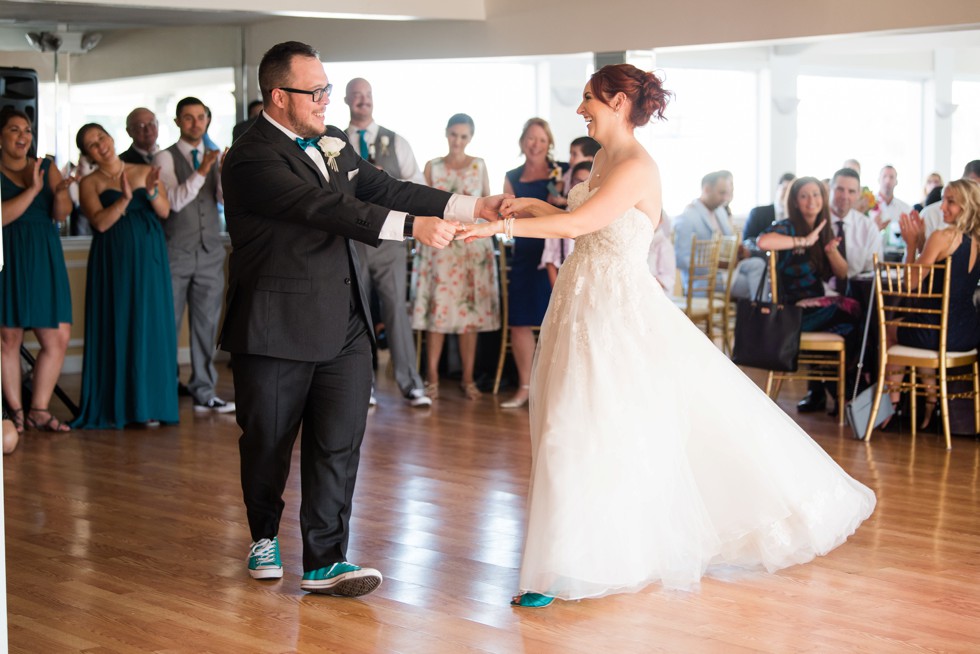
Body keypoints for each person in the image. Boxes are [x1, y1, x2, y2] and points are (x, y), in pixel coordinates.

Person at [460, 64, 875, 608]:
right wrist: (533, 207)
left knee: (579, 426)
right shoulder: (604, 158)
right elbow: (579, 213)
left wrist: (500, 227)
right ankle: (575, 559)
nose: (581, 108)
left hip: (615, 312)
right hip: (580, 304)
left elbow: (580, 227)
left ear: (618, 103)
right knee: (575, 424)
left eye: (589, 98)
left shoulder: (636, 165)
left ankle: (558, 568)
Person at [219, 41, 505, 596]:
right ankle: (263, 535)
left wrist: (472, 206)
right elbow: (324, 209)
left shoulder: (334, 142)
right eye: (316, 91)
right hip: (276, 324)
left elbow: (386, 188)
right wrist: (410, 228)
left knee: (338, 443)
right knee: (268, 443)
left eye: (328, 87)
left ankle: (326, 560)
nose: (328, 99)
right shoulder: (251, 155)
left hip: (347, 322)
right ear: (279, 97)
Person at [71, 123, 178, 429]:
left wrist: (154, 190)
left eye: (101, 137)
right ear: (87, 153)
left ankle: (153, 404)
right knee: (118, 321)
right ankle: (121, 405)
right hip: (113, 260)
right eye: (92, 144)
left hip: (149, 257)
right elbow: (100, 223)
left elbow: (164, 211)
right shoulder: (89, 182)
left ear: (111, 137)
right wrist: (124, 199)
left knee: (151, 324)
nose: (100, 145)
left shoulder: (143, 168)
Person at [344, 77, 431, 407]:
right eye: (356, 96)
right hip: (351, 239)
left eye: (367, 95)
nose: (362, 101)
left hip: (390, 239)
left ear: (373, 100)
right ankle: (361, 385)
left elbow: (416, 186)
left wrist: (385, 179)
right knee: (355, 311)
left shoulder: (396, 141)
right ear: (347, 101)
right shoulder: (334, 142)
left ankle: (411, 383)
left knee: (396, 309)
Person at [154, 97, 235, 414]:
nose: (195, 123)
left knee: (206, 325)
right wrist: (202, 170)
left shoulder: (217, 155)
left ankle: (204, 389)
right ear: (177, 122)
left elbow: (222, 202)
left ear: (208, 119)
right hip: (175, 252)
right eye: (188, 118)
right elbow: (173, 201)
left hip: (210, 253)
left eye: (201, 117)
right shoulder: (165, 156)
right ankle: (164, 390)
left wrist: (224, 175)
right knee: (168, 325)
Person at [411, 113, 500, 400]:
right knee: (438, 311)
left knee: (469, 316)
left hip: (472, 249)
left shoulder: (479, 165)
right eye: (454, 134)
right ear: (446, 134)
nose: (458, 140)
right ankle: (432, 377)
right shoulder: (432, 167)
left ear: (470, 137)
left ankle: (468, 378)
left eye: (463, 136)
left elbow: (487, 205)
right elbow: (422, 204)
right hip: (440, 249)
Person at [758, 177, 863, 413]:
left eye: (816, 194)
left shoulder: (823, 229)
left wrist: (831, 252)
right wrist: (802, 241)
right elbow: (763, 241)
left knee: (851, 319)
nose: (811, 201)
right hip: (791, 313)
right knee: (848, 313)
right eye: (804, 195)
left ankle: (823, 391)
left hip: (812, 307)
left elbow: (843, 273)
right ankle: (839, 394)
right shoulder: (787, 227)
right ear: (795, 201)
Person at [0, 108, 74, 433]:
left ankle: (39, 409)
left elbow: (62, 214)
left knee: (58, 335)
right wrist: (32, 190)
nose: (23, 136)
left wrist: (59, 193)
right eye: (14, 129)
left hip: (44, 255)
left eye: (27, 130)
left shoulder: (46, 166)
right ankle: (15, 411)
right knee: (8, 335)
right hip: (7, 255)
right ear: (0, 136)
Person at [886, 179, 980, 428]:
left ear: (967, 206)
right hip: (969, 333)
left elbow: (909, 285)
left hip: (940, 331)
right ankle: (930, 405)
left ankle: (892, 408)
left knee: (889, 329)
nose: (942, 208)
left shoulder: (942, 236)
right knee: (912, 326)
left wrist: (910, 244)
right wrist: (920, 242)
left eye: (951, 202)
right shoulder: (976, 240)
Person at [500, 117, 568, 409]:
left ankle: (555, 390)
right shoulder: (512, 176)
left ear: (549, 143)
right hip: (526, 252)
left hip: (556, 253)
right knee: (519, 320)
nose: (535, 144)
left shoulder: (562, 171)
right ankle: (525, 386)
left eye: (541, 139)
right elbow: (506, 213)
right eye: (530, 138)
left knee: (559, 319)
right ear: (522, 142)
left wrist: (529, 214)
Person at [672, 170, 735, 291]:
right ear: (706, 189)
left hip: (727, 274)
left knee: (757, 266)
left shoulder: (721, 212)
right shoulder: (687, 217)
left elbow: (729, 239)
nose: (725, 198)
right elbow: (680, 259)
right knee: (756, 280)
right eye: (721, 193)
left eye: (727, 193)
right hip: (702, 281)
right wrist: (714, 265)